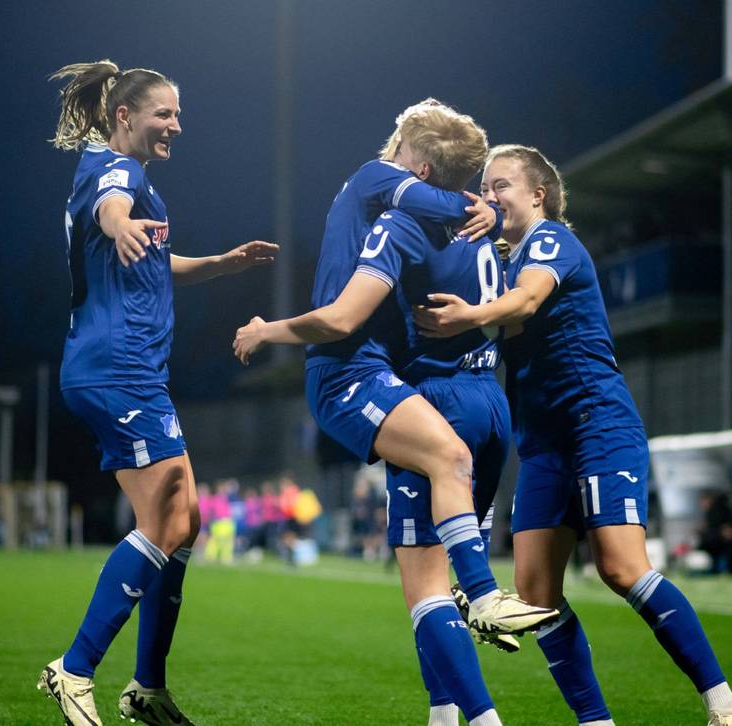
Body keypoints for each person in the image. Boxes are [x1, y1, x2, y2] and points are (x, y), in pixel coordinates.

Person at [234, 102, 559, 726]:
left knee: (429, 586)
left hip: (382, 377)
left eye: (402, 150)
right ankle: (479, 649)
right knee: (439, 550)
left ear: (421, 163)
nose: (390, 155)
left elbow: (341, 318)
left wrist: (265, 329)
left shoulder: (392, 211)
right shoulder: (481, 233)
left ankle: (475, 631)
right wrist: (490, 211)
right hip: (464, 395)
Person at [415, 144, 732, 726]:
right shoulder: (496, 260)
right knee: (535, 595)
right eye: (485, 187)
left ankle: (723, 704)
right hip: (544, 446)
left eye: (501, 186)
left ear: (538, 195)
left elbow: (524, 302)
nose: (490, 195)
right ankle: (596, 723)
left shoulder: (551, 242)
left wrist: (467, 316)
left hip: (597, 425)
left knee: (621, 568)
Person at [40, 59, 278, 726]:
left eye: (177, 113)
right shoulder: (119, 172)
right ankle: (76, 668)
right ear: (124, 116)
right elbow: (112, 208)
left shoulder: (116, 174)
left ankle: (147, 686)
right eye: (164, 113)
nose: (176, 124)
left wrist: (220, 263)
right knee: (167, 521)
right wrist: (119, 223)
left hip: (124, 370)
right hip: (119, 370)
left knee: (185, 524)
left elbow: (149, 254)